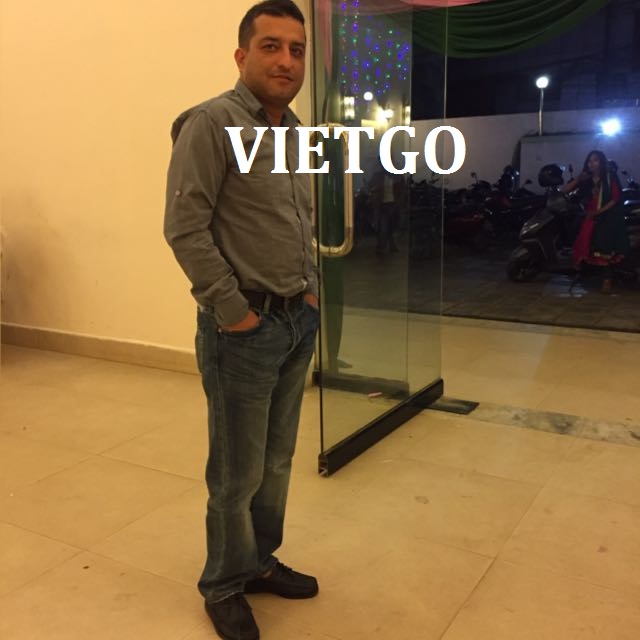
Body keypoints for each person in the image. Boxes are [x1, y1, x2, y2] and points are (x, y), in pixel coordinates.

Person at [164, 2, 319, 639]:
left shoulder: (296, 133)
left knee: (277, 460)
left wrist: (311, 295)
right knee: (237, 472)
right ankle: (224, 584)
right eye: (271, 46)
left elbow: (299, 221)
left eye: (297, 49)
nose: (287, 61)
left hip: (296, 322)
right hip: (244, 332)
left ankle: (258, 562)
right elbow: (185, 228)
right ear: (241, 55)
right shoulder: (210, 123)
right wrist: (235, 314)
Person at [563, 150, 630, 293]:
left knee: (602, 240)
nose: (591, 163)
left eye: (595, 160)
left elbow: (615, 199)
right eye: (589, 161)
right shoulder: (586, 179)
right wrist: (578, 179)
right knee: (579, 234)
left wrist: (598, 212)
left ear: (601, 162)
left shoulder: (609, 177)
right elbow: (564, 191)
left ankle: (607, 278)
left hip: (608, 215)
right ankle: (586, 271)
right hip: (590, 215)